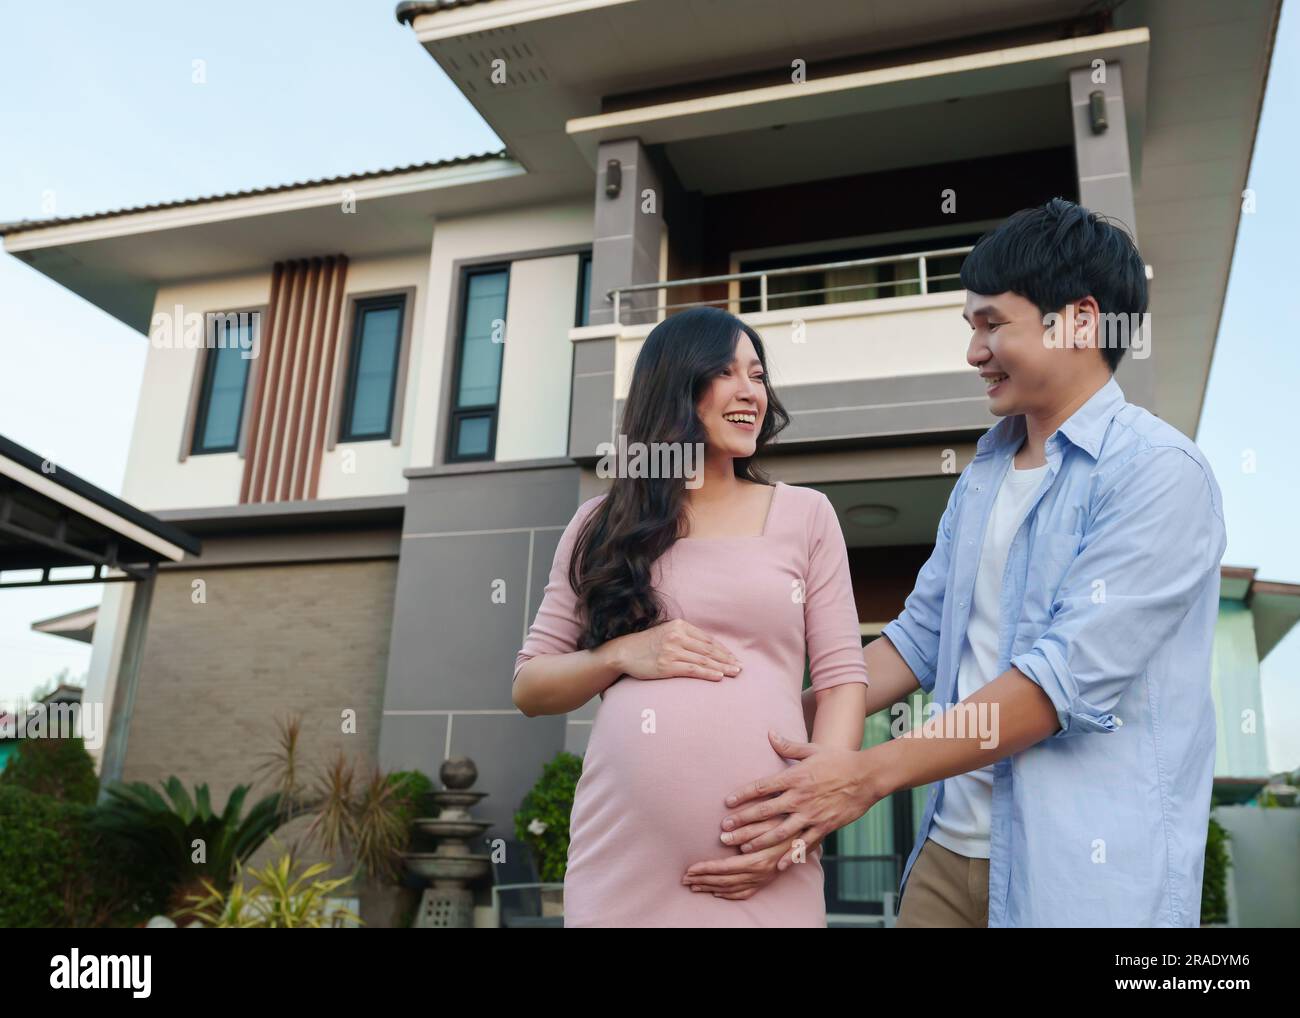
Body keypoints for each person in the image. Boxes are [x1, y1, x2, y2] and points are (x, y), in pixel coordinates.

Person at [700, 198, 1228, 927]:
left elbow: (1056, 684)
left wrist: (868, 776)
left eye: (991, 324)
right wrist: (757, 721)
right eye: (970, 328)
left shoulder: (1161, 474)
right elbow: (915, 640)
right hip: (949, 855)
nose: (974, 352)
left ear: (1077, 319)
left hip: (1083, 878)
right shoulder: (983, 474)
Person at [512, 305, 868, 927]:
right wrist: (622, 653)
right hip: (623, 861)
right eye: (726, 373)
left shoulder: (806, 515)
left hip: (766, 854)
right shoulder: (601, 525)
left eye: (757, 375)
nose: (750, 392)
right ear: (676, 387)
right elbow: (530, 687)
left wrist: (804, 824)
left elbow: (841, 682)